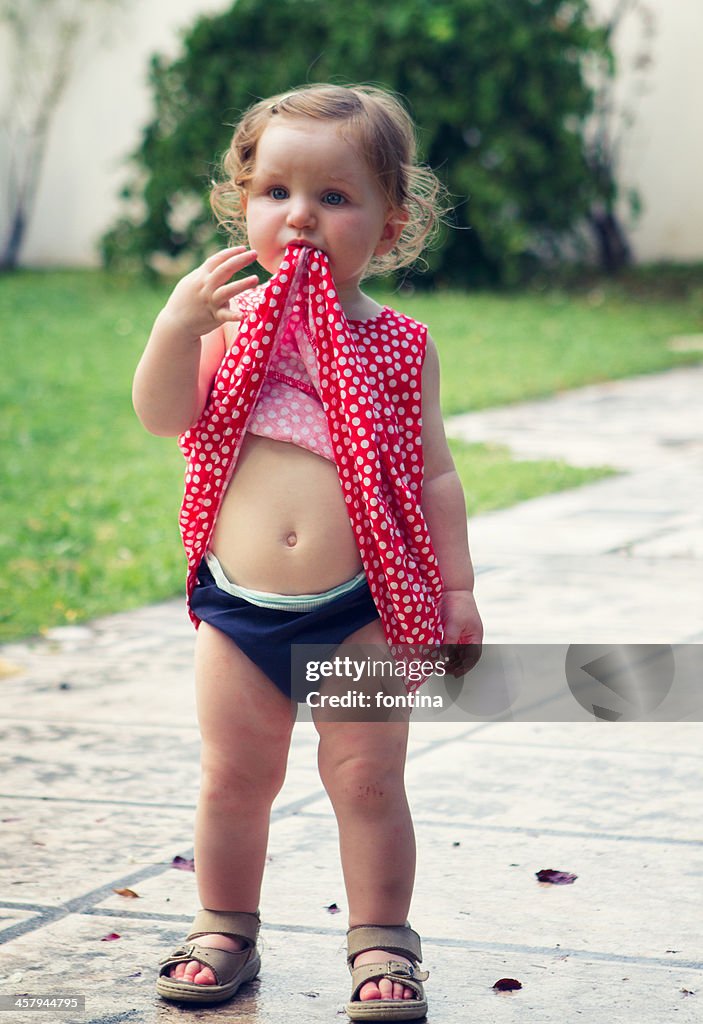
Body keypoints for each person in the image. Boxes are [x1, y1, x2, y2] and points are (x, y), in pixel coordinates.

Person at [133, 82, 482, 1020]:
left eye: (334, 198)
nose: (300, 218)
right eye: (275, 193)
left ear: (391, 223)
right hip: (239, 604)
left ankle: (381, 943)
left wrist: (456, 589)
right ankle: (223, 927)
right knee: (234, 777)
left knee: (368, 779)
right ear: (241, 204)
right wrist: (176, 328)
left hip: (361, 606)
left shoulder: (399, 346)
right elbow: (165, 417)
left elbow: (436, 476)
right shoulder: (231, 330)